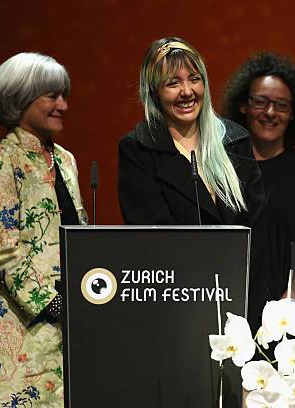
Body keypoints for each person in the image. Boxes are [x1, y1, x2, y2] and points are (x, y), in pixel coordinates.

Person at [117, 37, 268, 327]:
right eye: (173, 83)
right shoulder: (139, 149)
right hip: (177, 306)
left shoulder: (235, 140)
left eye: (194, 80)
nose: (187, 92)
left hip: (242, 303)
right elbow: (152, 234)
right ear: (154, 91)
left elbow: (257, 228)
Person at [0, 52, 87, 407]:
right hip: (19, 324)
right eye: (52, 96)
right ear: (19, 99)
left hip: (70, 319)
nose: (63, 105)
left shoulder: (66, 160)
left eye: (64, 95)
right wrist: (54, 304)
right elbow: (4, 250)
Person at [223, 52, 295, 299]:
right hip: (233, 311)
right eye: (260, 102)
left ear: (294, 113)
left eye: (281, 105)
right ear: (243, 105)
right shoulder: (220, 168)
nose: (271, 112)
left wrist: (289, 304)